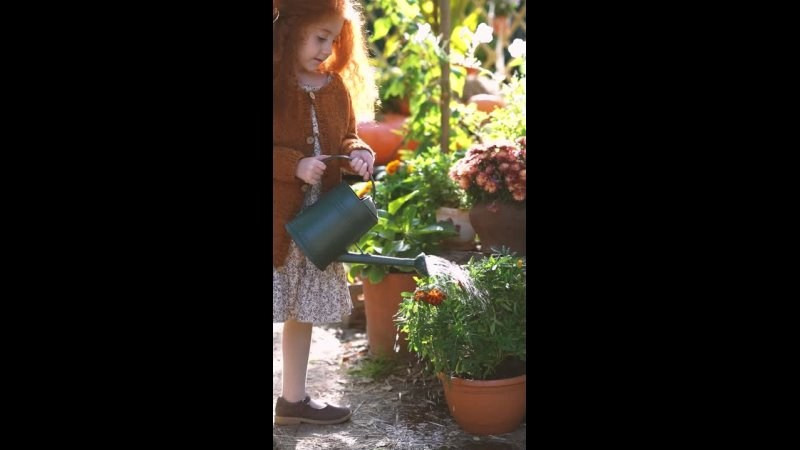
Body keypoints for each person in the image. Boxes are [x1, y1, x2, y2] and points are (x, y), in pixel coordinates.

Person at [272, 0, 377, 426]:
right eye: (320, 38)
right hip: (278, 223)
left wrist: (360, 153)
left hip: (320, 224)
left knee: (301, 311)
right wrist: (293, 165)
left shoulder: (333, 87)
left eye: (333, 40)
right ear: (291, 31)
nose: (326, 48)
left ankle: (292, 401)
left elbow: (348, 136)